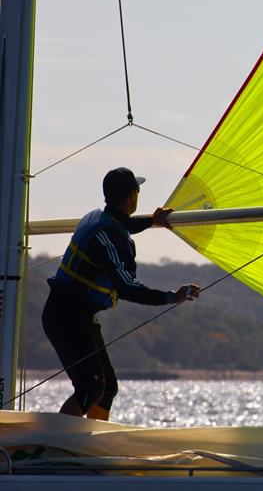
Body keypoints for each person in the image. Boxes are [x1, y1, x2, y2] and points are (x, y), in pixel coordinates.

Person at [42, 167, 200, 421]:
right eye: (137, 191)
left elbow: (124, 224)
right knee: (90, 388)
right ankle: (54, 445)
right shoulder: (112, 237)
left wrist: (152, 220)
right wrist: (171, 297)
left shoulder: (96, 217)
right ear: (132, 196)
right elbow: (127, 287)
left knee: (106, 389)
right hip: (67, 317)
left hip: (75, 314)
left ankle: (89, 445)